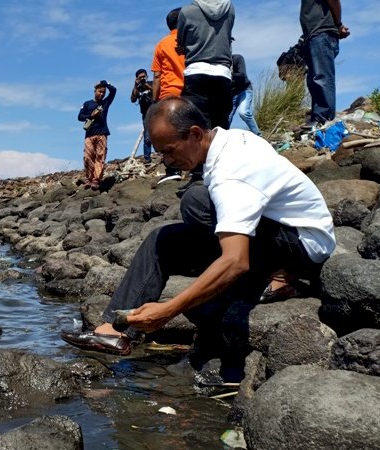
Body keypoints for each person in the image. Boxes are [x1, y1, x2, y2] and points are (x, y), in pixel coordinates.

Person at [61, 97, 336, 377]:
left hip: (301, 247)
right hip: (276, 231)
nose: (167, 161)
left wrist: (169, 310)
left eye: (169, 151)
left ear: (194, 134)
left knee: (197, 201)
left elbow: (236, 261)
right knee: (164, 239)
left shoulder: (232, 172)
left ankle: (279, 276)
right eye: (160, 154)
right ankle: (114, 330)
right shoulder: (228, 139)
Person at [176, 0, 235, 130]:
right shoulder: (230, 8)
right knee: (221, 124)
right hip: (222, 71)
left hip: (196, 70)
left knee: (198, 125)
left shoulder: (186, 12)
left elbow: (180, 42)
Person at [300, 0, 349, 129]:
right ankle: (318, 117)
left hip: (321, 32)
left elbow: (334, 1)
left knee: (321, 77)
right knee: (313, 79)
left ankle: (324, 119)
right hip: (313, 35)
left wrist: (338, 24)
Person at [151, 7, 185, 183]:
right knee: (191, 130)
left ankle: (173, 170)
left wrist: (155, 99)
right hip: (189, 90)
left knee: (171, 134)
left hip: (169, 93)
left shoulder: (161, 44)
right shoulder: (190, 40)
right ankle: (197, 169)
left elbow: (157, 75)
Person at [78, 80, 117, 190]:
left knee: (100, 157)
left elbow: (114, 91)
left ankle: (96, 180)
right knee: (87, 157)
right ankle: (89, 179)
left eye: (103, 92)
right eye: (100, 91)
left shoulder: (105, 103)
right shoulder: (87, 104)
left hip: (102, 133)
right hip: (89, 134)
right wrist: (91, 115)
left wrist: (106, 83)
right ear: (95, 91)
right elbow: (80, 117)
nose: (102, 94)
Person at [229, 54, 261, 136]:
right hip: (232, 94)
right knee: (227, 117)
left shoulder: (237, 58)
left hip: (245, 90)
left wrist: (229, 74)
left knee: (243, 113)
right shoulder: (220, 63)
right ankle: (223, 140)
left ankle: (258, 135)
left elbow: (242, 75)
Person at [131, 69, 154, 163]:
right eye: (140, 78)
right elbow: (133, 99)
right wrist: (136, 86)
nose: (143, 79)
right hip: (146, 114)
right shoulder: (138, 88)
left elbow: (158, 92)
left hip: (156, 111)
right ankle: (147, 158)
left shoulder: (152, 83)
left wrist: (147, 86)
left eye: (144, 76)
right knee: (147, 137)